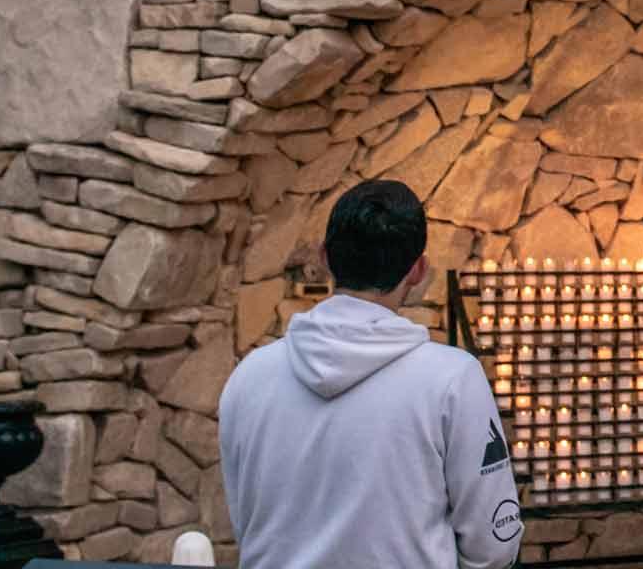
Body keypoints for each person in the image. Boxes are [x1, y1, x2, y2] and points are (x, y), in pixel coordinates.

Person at [218, 180, 520, 569]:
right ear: (418, 270)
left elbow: (249, 522)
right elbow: (493, 541)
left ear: (325, 257)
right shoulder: (452, 380)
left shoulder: (248, 377)